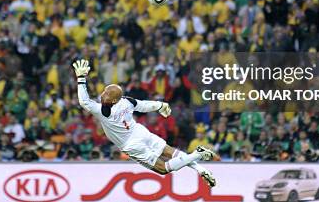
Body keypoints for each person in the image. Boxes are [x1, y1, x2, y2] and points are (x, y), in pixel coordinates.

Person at [72, 59, 218, 187]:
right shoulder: (126, 101)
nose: (103, 95)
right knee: (171, 152)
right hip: (140, 132)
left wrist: (81, 78)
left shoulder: (103, 111)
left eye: (107, 94)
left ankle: (196, 154)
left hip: (131, 144)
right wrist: (160, 105)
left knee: (164, 169)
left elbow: (84, 101)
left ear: (114, 100)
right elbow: (142, 105)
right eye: (104, 91)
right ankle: (201, 169)